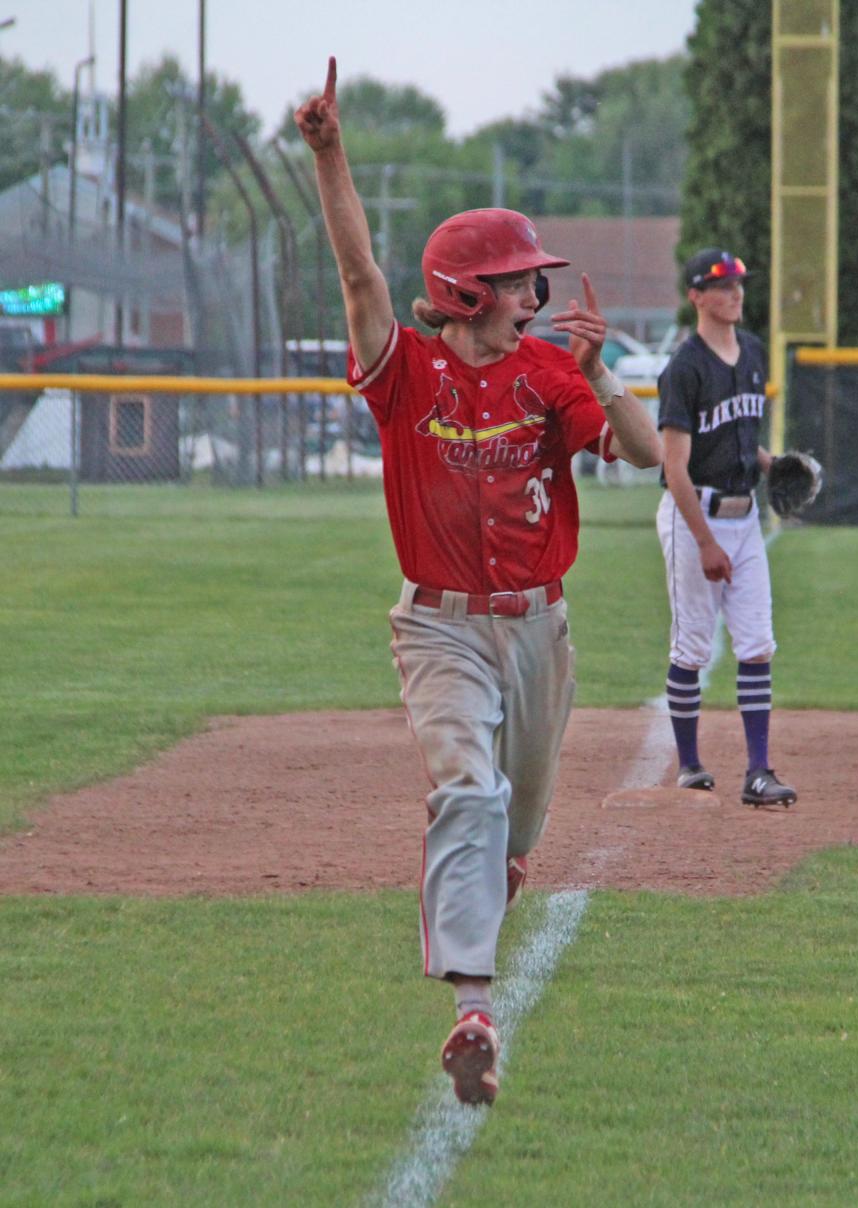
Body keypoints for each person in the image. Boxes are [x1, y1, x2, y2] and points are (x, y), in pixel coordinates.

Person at [295, 59, 662, 1107]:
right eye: (514, 282)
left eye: (532, 282)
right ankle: (472, 1008)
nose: (532, 295)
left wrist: (599, 376)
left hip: (540, 631)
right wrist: (330, 153)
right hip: (443, 630)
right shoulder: (407, 368)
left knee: (518, 829)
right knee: (467, 787)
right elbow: (362, 275)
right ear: (464, 291)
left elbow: (636, 451)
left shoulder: (549, 371)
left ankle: (482, 945)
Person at [655, 247, 797, 808]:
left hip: (744, 516)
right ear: (696, 296)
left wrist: (771, 466)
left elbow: (738, 436)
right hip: (695, 519)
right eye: (721, 284)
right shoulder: (684, 369)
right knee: (691, 645)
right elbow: (675, 466)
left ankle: (758, 772)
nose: (735, 292)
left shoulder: (754, 353)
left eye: (739, 282)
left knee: (757, 643)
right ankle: (690, 764)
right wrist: (707, 542)